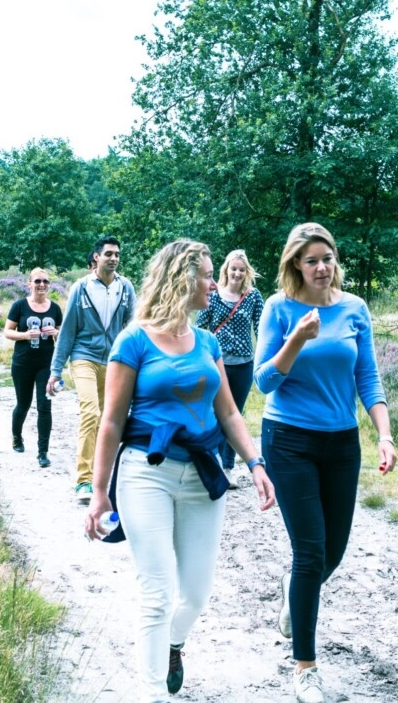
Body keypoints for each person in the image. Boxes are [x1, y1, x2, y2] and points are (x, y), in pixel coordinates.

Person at [84, 239, 276, 703]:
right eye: (208, 275)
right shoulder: (134, 341)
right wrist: (98, 492)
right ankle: (152, 694)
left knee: (194, 595)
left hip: (202, 474)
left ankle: (173, 645)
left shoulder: (206, 341)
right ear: (182, 278)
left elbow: (229, 413)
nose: (214, 283)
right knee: (157, 592)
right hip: (144, 473)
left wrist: (255, 463)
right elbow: (111, 420)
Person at [254, 222, 396, 703]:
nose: (321, 267)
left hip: (342, 443)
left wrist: (384, 434)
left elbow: (368, 379)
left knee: (332, 552)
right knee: (311, 551)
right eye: (312, 259)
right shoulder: (278, 308)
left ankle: (295, 588)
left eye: (328, 258)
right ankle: (305, 667)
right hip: (289, 440)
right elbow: (264, 382)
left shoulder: (355, 308)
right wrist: (295, 339)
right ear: (296, 263)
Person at [48, 236, 136, 503]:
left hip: (113, 362)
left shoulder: (126, 288)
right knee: (91, 412)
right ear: (96, 257)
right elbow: (68, 330)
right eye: (109, 254)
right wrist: (56, 370)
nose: (114, 258)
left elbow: (132, 329)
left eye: (117, 254)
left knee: (107, 419)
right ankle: (83, 480)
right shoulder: (81, 288)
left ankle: (101, 476)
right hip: (83, 357)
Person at [195, 248, 264, 487]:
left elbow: (262, 329)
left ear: (247, 273)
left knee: (235, 414)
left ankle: (227, 467)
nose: (237, 273)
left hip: (244, 364)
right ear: (226, 270)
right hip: (217, 363)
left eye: (241, 270)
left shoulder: (253, 297)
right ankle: (210, 461)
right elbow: (200, 328)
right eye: (233, 269)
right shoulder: (213, 296)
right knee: (214, 414)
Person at [4, 268, 63, 463]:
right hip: (22, 363)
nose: (42, 285)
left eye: (45, 281)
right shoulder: (19, 306)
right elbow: (7, 331)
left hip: (46, 364)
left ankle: (43, 452)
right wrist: (25, 335)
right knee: (23, 405)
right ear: (30, 284)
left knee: (45, 406)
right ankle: (17, 437)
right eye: (37, 281)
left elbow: (63, 334)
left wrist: (55, 332)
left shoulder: (55, 308)